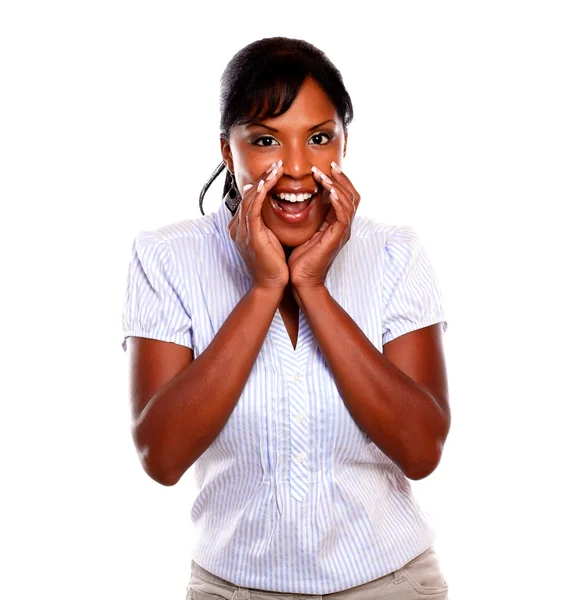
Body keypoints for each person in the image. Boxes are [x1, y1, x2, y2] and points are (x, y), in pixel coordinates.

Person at [122, 36, 451, 600]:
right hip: (234, 589)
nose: (297, 168)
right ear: (228, 151)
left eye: (319, 138)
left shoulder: (395, 253)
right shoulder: (166, 258)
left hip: (389, 583)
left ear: (344, 143)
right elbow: (162, 455)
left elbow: (422, 452)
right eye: (266, 140)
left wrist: (314, 289)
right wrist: (265, 288)